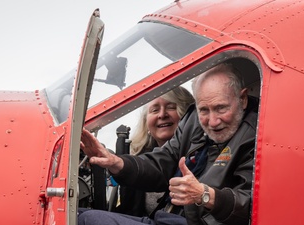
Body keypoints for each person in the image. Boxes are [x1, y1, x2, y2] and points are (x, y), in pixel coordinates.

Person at [79, 63, 258, 225]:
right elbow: (162, 163)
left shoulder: (258, 136)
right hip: (167, 218)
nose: (212, 121)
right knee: (75, 215)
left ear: (242, 99)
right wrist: (116, 162)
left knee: (88, 220)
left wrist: (205, 195)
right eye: (204, 110)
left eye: (221, 108)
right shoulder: (193, 121)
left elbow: (254, 206)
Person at [114, 86, 195, 217]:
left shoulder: (197, 157)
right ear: (146, 123)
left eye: (171, 107)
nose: (162, 115)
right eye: (155, 110)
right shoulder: (136, 163)